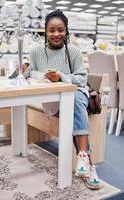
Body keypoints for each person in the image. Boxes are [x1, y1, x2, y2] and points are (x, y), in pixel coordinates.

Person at [27, 10, 101, 190]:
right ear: (45, 31)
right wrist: (31, 72)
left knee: (74, 100)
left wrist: (61, 77)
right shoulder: (36, 52)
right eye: (52, 30)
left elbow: (82, 79)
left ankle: (85, 159)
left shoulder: (73, 51)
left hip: (77, 96)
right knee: (73, 107)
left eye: (60, 30)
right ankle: (88, 164)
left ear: (66, 30)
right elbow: (30, 74)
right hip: (52, 101)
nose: (56, 34)